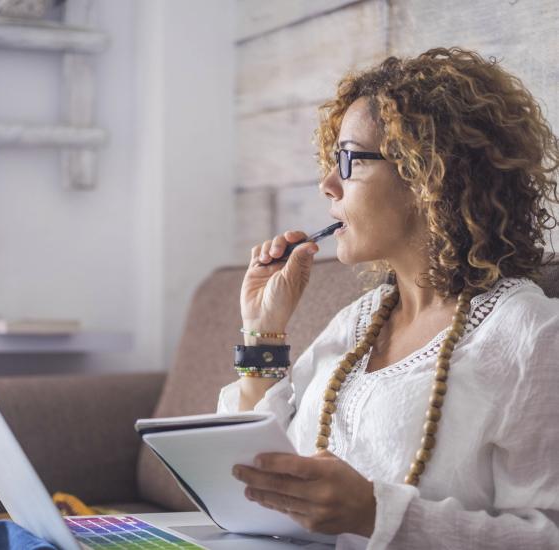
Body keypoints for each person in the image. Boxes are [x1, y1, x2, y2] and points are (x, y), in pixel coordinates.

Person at [217, 47, 559, 549]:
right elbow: (258, 478)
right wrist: (262, 331)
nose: (328, 184)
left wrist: (375, 512)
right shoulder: (357, 323)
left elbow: (548, 536)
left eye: (349, 160)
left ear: (428, 175)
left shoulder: (530, 335)